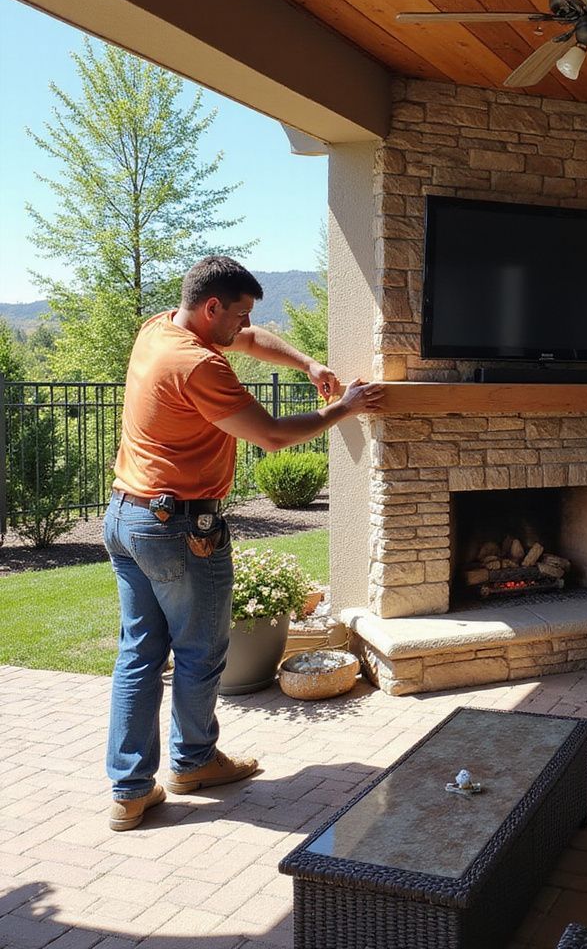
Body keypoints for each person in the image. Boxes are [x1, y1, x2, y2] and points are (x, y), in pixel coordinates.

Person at [105, 255, 383, 831]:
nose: (243, 327)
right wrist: (344, 407)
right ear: (212, 308)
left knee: (139, 656)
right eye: (238, 313)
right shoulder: (199, 365)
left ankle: (130, 791)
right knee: (201, 652)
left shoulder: (160, 328)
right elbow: (274, 436)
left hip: (127, 517)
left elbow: (252, 340)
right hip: (179, 530)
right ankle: (196, 762)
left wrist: (310, 362)